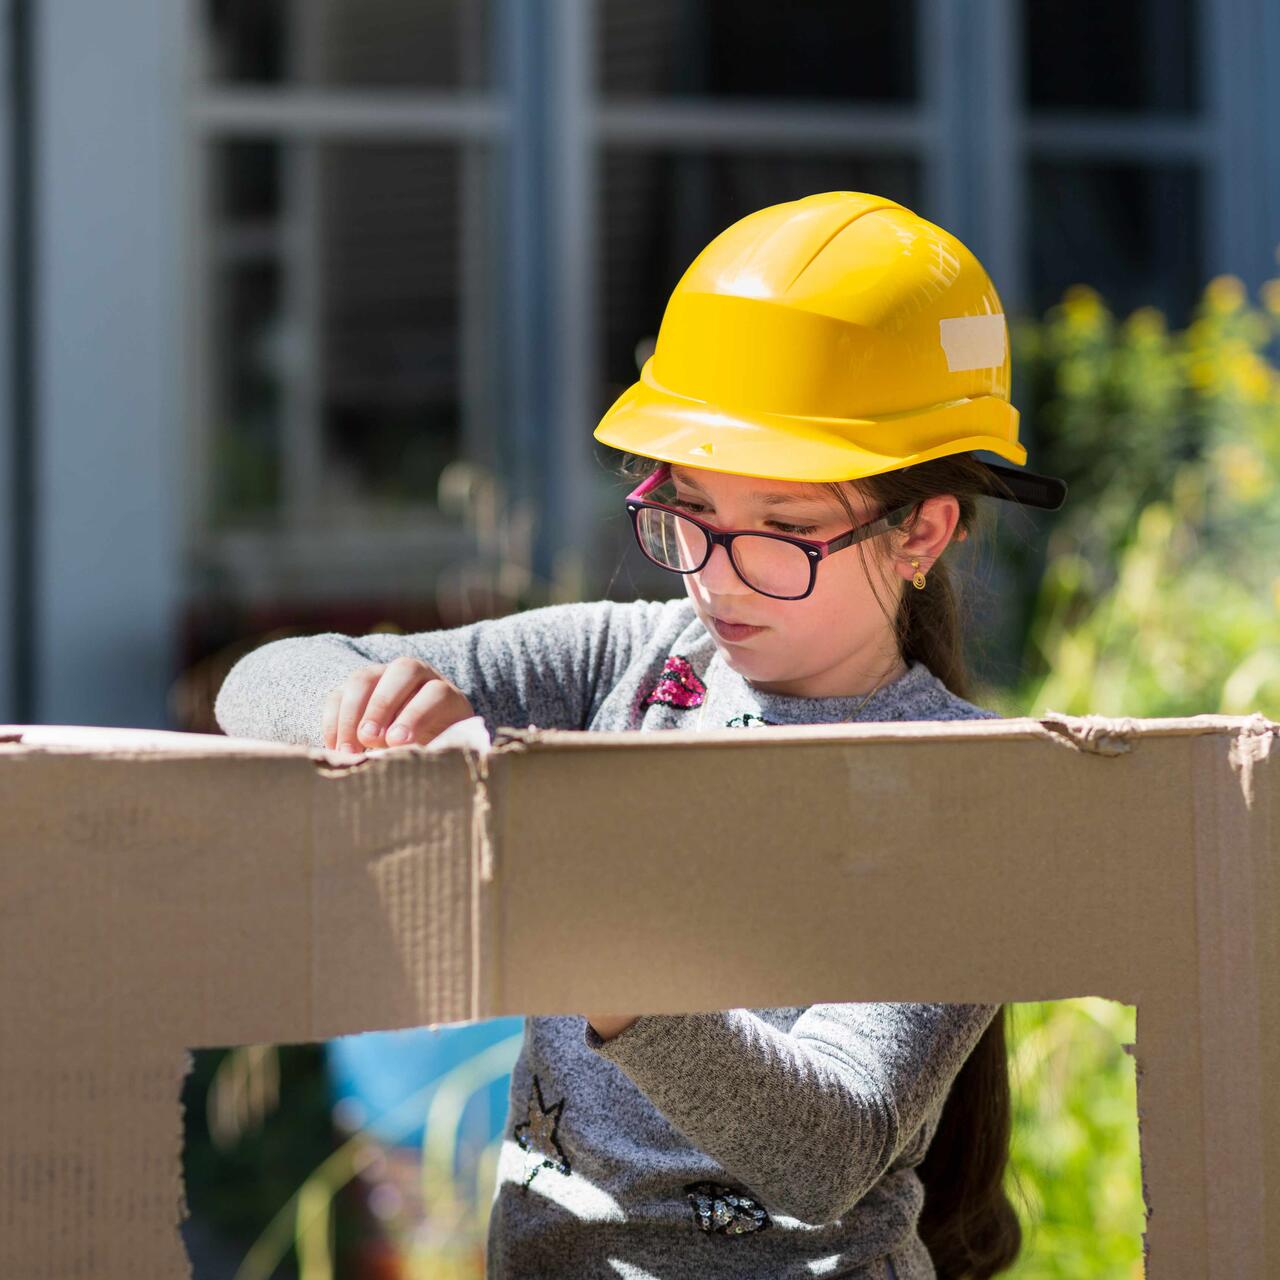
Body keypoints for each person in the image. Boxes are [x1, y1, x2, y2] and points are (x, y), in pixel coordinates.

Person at [214, 191, 1067, 1279]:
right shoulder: (629, 662)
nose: (715, 574)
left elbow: (830, 1151)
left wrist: (601, 958)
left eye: (785, 531)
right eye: (691, 511)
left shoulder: (964, 789)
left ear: (920, 531)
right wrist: (365, 706)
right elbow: (263, 676)